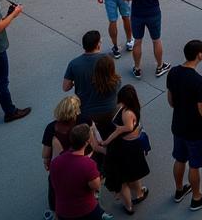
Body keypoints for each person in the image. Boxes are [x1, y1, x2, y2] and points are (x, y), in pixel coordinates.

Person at [167, 40, 202, 211]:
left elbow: (170, 100)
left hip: (178, 125)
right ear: (199, 55)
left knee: (179, 158)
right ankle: (197, 198)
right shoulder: (198, 81)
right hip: (194, 129)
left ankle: (179, 190)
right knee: (194, 164)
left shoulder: (173, 72)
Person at [96, 84, 149, 214]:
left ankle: (129, 206)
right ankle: (139, 193)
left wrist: (107, 140)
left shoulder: (126, 113)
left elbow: (126, 128)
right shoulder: (135, 108)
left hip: (125, 147)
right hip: (134, 146)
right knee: (134, 172)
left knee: (123, 180)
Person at [121, 0, 170, 79]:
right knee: (156, 40)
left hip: (137, 14)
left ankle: (137, 68)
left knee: (137, 41)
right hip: (153, 12)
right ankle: (160, 66)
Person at [62, 30, 118, 126]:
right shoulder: (107, 60)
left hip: (87, 113)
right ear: (97, 45)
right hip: (110, 109)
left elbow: (65, 87)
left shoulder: (74, 64)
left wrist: (76, 81)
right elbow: (114, 81)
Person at [48, 123, 103, 220]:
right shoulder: (88, 164)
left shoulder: (55, 162)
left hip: (63, 212)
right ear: (87, 142)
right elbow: (96, 186)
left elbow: (55, 184)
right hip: (85, 210)